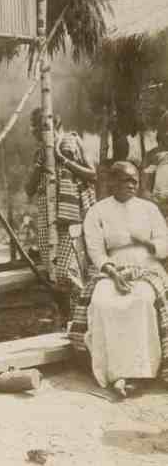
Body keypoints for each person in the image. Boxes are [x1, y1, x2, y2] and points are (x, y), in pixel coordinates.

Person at [70, 161, 168, 397]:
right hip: (111, 269)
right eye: (126, 180)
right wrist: (113, 273)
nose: (132, 184)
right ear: (111, 182)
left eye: (135, 180)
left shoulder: (149, 209)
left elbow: (164, 246)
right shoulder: (98, 211)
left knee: (142, 300)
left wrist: (144, 242)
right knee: (104, 302)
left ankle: (141, 373)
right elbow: (95, 250)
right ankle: (115, 372)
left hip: (147, 266)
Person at [24, 108, 96, 320]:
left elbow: (92, 174)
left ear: (55, 125)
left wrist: (62, 160)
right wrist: (41, 163)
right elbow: (29, 188)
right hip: (47, 219)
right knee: (53, 274)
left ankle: (82, 317)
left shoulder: (71, 141)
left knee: (68, 272)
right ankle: (67, 319)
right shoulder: (39, 153)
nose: (36, 131)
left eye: (41, 126)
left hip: (71, 216)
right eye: (34, 127)